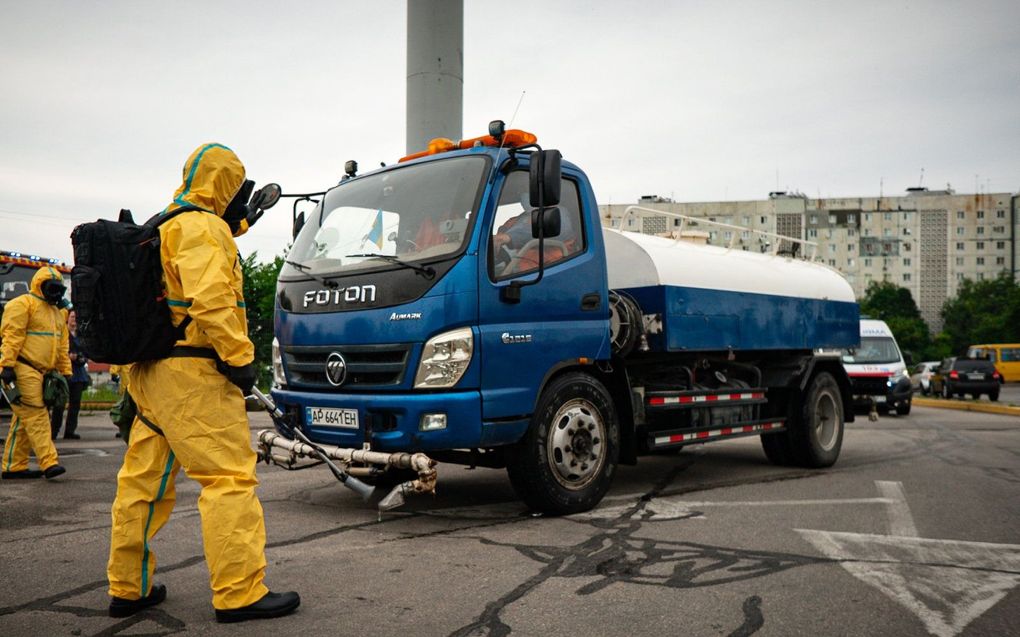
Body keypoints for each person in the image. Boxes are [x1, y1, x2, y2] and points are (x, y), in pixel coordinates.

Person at [106, 143, 299, 622]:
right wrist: (240, 358)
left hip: (148, 375)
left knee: (141, 485)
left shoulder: (163, 224)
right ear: (223, 184)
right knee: (228, 478)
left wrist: (242, 222)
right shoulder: (204, 228)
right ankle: (239, 593)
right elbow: (211, 297)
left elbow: (183, 269)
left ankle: (127, 587)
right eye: (236, 186)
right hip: (192, 376)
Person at [0, 266, 71, 480]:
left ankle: (13, 465)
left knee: (24, 420)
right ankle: (50, 462)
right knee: (38, 415)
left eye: (60, 289)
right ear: (39, 286)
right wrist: (7, 366)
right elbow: (12, 336)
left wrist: (65, 371)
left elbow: (61, 346)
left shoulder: (57, 314)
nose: (57, 294)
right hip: (23, 368)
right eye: (53, 289)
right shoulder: (22, 305)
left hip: (43, 373)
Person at [50, 310, 89, 440]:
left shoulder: (81, 335)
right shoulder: (63, 334)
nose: (74, 320)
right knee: (59, 403)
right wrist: (69, 357)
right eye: (72, 317)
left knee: (75, 403)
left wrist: (81, 357)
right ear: (67, 319)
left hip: (78, 373)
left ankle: (70, 431)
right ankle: (53, 431)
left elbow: (87, 351)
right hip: (64, 371)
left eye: (76, 317)